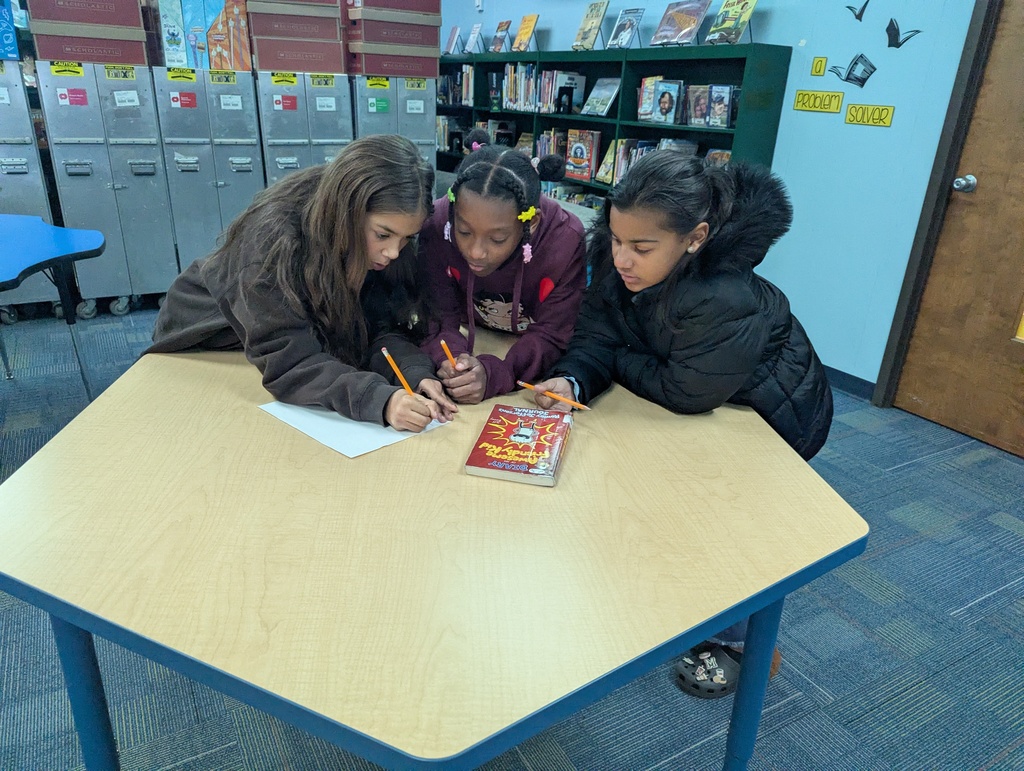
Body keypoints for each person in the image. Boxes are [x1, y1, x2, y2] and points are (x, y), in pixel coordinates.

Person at [528, 152, 833, 698]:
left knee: (727, 527)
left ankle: (742, 643)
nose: (622, 258)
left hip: (769, 419)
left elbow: (683, 391)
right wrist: (573, 381)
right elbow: (598, 335)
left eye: (641, 248)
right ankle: (672, 603)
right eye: (616, 239)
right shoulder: (622, 253)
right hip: (701, 402)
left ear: (695, 238)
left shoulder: (724, 293)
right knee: (652, 500)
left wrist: (618, 360)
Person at [148, 134, 456, 433]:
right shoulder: (271, 239)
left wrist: (412, 373)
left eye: (406, 238)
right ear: (347, 211)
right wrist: (381, 400)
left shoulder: (378, 239)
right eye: (383, 235)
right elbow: (290, 363)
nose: (393, 252)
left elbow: (378, 326)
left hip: (286, 345)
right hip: (205, 347)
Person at [419, 145, 587, 403]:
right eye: (463, 232)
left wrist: (496, 373)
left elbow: (553, 334)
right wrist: (450, 362)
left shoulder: (564, 240)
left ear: (531, 222)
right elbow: (440, 315)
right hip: (474, 341)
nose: (475, 252)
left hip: (526, 363)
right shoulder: (438, 225)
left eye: (497, 239)